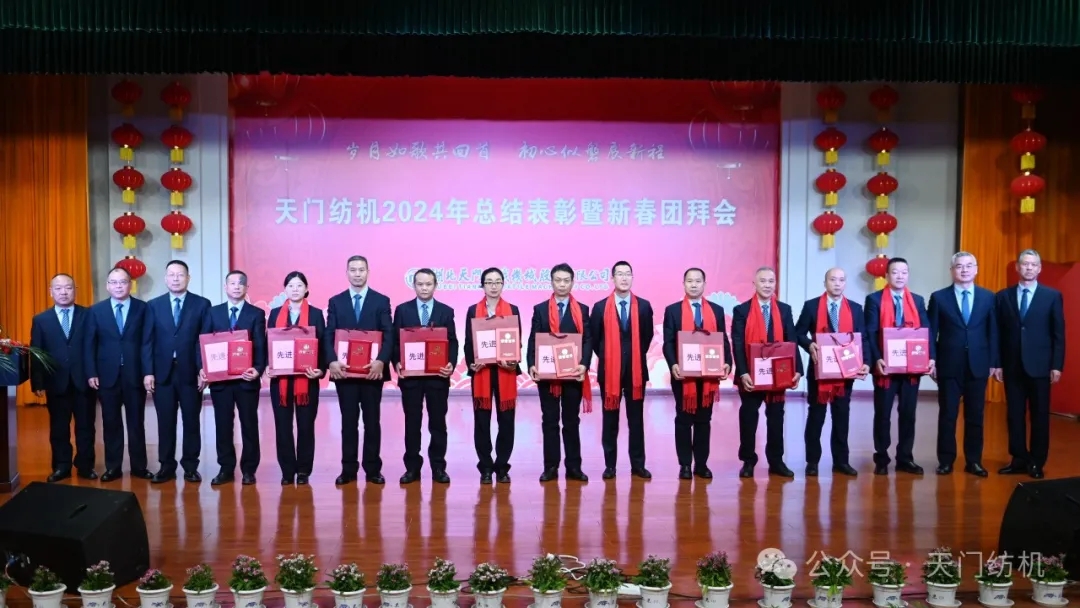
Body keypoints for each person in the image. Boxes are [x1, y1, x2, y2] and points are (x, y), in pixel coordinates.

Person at [927, 252, 999, 477]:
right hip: (948, 365)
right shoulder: (939, 298)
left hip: (978, 364)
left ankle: (974, 461)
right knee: (948, 415)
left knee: (975, 416)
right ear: (952, 270)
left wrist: (994, 362)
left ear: (976, 269)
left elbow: (994, 332)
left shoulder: (988, 297)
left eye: (969, 266)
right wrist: (931, 360)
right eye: (959, 266)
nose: (964, 270)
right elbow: (930, 333)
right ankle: (946, 460)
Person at [324, 255, 394, 486]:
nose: (357, 274)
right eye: (353, 270)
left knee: (372, 422)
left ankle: (373, 469)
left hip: (372, 372)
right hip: (345, 373)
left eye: (361, 269)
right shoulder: (336, 301)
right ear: (347, 273)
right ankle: (348, 469)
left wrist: (381, 361)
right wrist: (332, 361)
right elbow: (329, 334)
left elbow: (389, 334)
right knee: (348, 422)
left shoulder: (381, 301)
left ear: (368, 272)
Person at [996, 249, 1065, 479]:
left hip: (1041, 366)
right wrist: (997, 363)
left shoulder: (1051, 296)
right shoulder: (1003, 296)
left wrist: (1057, 365)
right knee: (1014, 415)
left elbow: (1058, 333)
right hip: (1012, 365)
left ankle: (1036, 461)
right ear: (1017, 267)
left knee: (1039, 415)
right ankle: (1018, 458)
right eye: (1025, 264)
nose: (1029, 268)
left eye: (1033, 264)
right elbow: (998, 333)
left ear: (1039, 268)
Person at [793, 268, 868, 477]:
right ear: (825, 282)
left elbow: (863, 338)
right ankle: (812, 461)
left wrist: (867, 362)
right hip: (820, 370)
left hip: (846, 371)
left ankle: (841, 461)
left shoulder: (855, 308)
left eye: (841, 280)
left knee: (841, 416)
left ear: (845, 283)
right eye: (833, 279)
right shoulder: (811, 306)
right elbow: (798, 333)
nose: (837, 283)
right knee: (816, 416)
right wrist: (809, 344)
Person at [865, 257, 935, 476]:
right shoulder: (874, 299)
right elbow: (870, 333)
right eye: (895, 272)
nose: (900, 276)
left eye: (904, 272)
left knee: (908, 413)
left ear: (908, 275)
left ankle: (905, 457)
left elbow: (926, 331)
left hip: (911, 368)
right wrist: (876, 359)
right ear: (886, 275)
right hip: (885, 367)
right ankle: (882, 458)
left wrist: (931, 357)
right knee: (883, 414)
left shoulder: (917, 300)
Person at [84, 266, 154, 482]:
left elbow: (147, 342)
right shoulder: (96, 311)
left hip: (135, 374)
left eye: (122, 282)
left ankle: (139, 467)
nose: (118, 286)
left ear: (130, 284)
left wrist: (148, 372)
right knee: (111, 422)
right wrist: (91, 371)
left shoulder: (143, 308)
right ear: (107, 286)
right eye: (113, 282)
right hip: (107, 375)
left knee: (136, 423)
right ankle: (113, 467)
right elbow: (89, 344)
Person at [197, 270, 267, 486]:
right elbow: (203, 342)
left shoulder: (256, 313)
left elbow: (260, 344)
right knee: (223, 425)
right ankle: (226, 468)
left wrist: (258, 368)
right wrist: (202, 368)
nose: (237, 287)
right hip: (221, 381)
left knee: (249, 425)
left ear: (247, 288)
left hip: (246, 379)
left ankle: (249, 469)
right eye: (232, 283)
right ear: (225, 287)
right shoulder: (213, 312)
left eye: (241, 283)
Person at [732, 266, 803, 478]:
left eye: (771, 281)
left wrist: (797, 369)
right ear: (754, 284)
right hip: (751, 376)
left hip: (778, 374)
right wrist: (743, 373)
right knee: (748, 418)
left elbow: (792, 340)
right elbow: (737, 343)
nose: (767, 285)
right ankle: (748, 461)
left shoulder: (784, 310)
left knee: (776, 418)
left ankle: (776, 461)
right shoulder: (742, 310)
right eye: (763, 281)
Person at [662, 267, 731, 480]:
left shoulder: (716, 310)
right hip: (683, 376)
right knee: (683, 420)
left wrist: (727, 362)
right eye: (690, 281)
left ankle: (701, 464)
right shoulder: (673, 311)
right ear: (684, 284)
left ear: (704, 284)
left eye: (698, 281)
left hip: (708, 375)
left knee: (703, 420)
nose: (694, 285)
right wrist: (673, 365)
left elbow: (722, 339)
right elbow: (668, 342)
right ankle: (684, 464)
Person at [147, 260, 212, 483]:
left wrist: (202, 369)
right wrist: (148, 372)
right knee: (165, 422)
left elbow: (204, 340)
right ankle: (166, 466)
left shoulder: (201, 304)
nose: (175, 279)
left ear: (188, 278)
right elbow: (148, 341)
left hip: (190, 373)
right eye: (171, 275)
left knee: (191, 421)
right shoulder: (153, 305)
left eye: (180, 274)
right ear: (165, 278)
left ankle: (190, 466)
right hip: (162, 373)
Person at [527, 262, 592, 483]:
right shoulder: (540, 309)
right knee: (550, 421)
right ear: (552, 282)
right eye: (558, 280)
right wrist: (532, 364)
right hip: (547, 375)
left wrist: (584, 364)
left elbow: (587, 340)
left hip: (573, 374)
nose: (562, 284)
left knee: (571, 421)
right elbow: (533, 339)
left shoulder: (582, 309)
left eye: (566, 280)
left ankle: (574, 467)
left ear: (572, 282)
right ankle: (551, 467)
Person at [589, 260, 654, 480]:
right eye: (620, 274)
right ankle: (610, 466)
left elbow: (646, 337)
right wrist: (612, 357)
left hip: (636, 372)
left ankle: (638, 465)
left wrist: (632, 355)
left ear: (632, 277)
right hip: (610, 372)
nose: (624, 278)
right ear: (612, 278)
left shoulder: (643, 306)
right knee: (610, 420)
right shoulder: (600, 307)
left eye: (628, 274)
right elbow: (596, 340)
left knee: (636, 420)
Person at [393, 268, 458, 484]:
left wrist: (450, 363)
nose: (424, 288)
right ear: (414, 285)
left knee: (437, 423)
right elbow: (395, 341)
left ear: (435, 285)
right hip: (411, 378)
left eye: (428, 284)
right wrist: (397, 361)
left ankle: (438, 467)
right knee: (412, 423)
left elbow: (452, 341)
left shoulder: (445, 311)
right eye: (420, 284)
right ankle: (412, 468)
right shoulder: (402, 310)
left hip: (437, 377)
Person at [30, 273, 97, 481]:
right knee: (59, 428)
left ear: (75, 290)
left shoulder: (88, 315)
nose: (63, 292)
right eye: (58, 288)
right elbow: (37, 352)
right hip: (56, 381)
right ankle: (61, 466)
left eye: (68, 287)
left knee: (86, 426)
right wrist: (38, 382)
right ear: (51, 292)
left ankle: (85, 465)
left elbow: (94, 347)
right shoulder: (41, 320)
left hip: (84, 380)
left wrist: (94, 374)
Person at [463, 267, 522, 484]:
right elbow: (469, 342)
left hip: (505, 373)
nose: (494, 286)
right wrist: (472, 363)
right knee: (482, 422)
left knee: (506, 421)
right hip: (482, 373)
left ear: (503, 284)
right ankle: (486, 467)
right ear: (483, 285)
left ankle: (502, 467)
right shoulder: (473, 310)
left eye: (497, 282)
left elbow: (517, 340)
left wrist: (513, 360)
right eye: (489, 282)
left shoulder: (513, 309)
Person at [267, 271, 326, 485]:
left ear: (306, 289)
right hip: (280, 381)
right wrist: (268, 365)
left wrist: (321, 369)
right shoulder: (275, 314)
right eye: (291, 285)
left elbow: (323, 344)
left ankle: (303, 471)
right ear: (285, 289)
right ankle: (286, 471)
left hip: (307, 379)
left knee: (305, 426)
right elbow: (268, 342)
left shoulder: (316, 314)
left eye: (299, 285)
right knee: (283, 427)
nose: (295, 289)